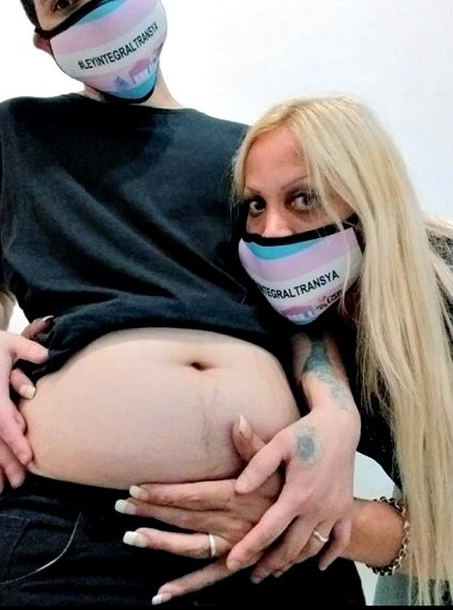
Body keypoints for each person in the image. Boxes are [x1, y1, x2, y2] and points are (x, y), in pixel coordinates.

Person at [0, 0, 365, 606]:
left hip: (273, 525)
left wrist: (338, 417)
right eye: (64, 1)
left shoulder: (251, 155)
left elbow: (301, 310)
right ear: (44, 38)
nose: (96, 6)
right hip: (70, 537)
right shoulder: (15, 134)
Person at [113, 95, 453, 606]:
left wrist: (311, 517)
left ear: (370, 198)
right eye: (256, 205)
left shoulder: (441, 292)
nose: (272, 231)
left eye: (303, 198)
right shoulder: (314, 310)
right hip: (424, 537)